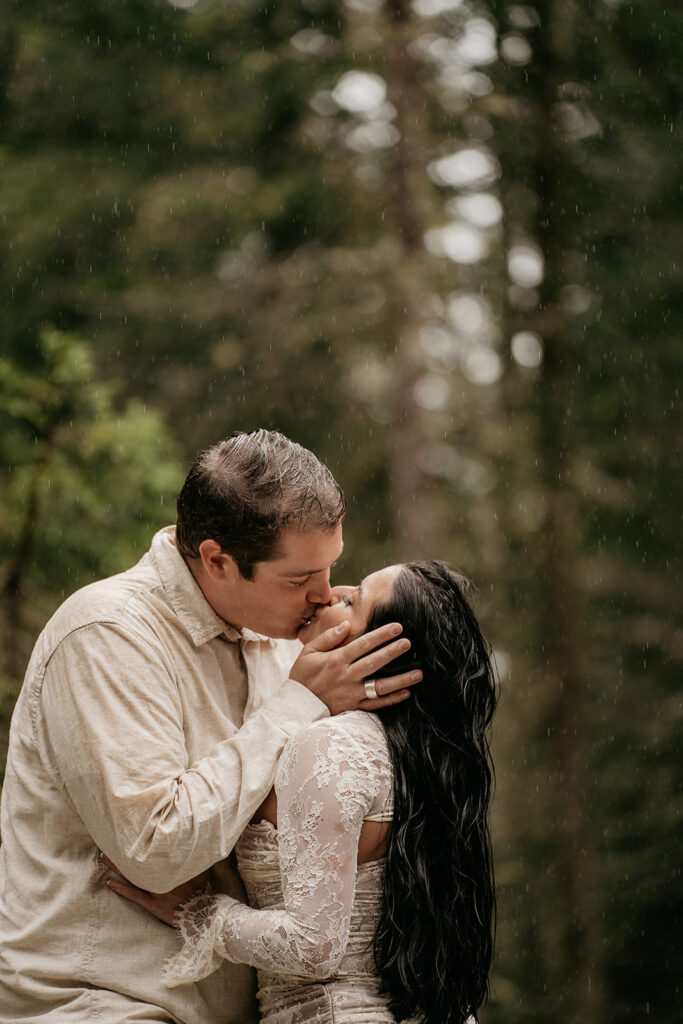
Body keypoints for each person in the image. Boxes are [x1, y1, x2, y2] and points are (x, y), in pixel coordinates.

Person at [0, 430, 420, 1024]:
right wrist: (297, 702)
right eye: (300, 579)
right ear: (218, 560)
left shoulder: (280, 640)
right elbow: (156, 851)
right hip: (102, 1001)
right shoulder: (107, 634)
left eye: (330, 567)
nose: (325, 594)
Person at [106, 560, 497, 1024]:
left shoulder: (330, 746)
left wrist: (201, 913)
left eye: (354, 601)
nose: (333, 593)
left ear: (374, 652)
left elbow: (313, 948)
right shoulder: (419, 757)